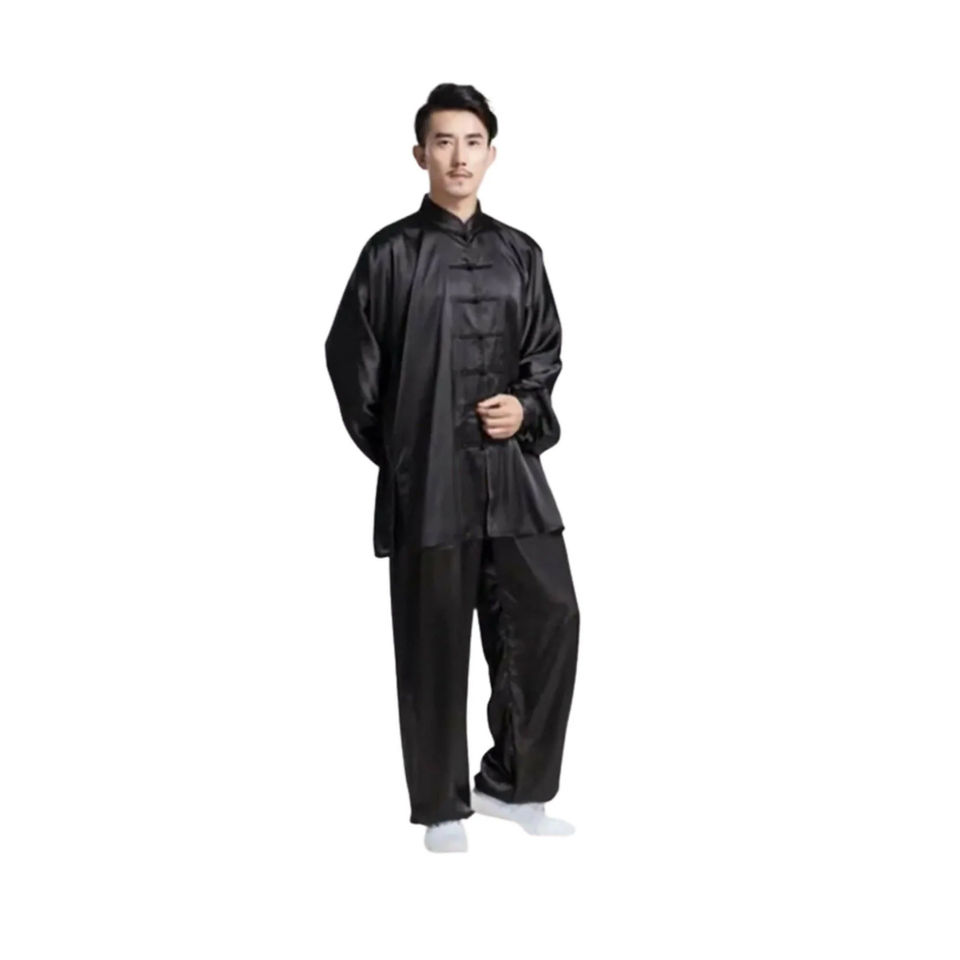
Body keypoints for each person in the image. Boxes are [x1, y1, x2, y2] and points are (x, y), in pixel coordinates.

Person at [325, 83, 580, 853]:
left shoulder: (521, 253)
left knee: (549, 619)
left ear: (491, 154)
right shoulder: (391, 254)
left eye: (472, 142)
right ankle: (441, 806)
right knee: (433, 641)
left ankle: (514, 785)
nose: (458, 157)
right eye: (443, 142)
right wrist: (408, 453)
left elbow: (544, 351)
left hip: (512, 481)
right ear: (420, 155)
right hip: (430, 484)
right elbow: (351, 362)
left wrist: (525, 410)